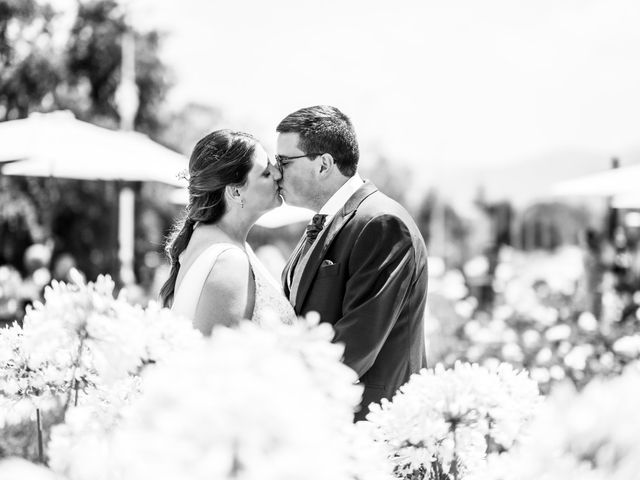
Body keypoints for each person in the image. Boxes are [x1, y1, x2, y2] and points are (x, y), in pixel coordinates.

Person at [276, 106, 428, 421]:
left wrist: (275, 390)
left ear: (323, 164)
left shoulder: (382, 223)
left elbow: (356, 345)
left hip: (370, 428)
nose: (276, 172)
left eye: (283, 161)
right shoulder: (329, 220)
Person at [160, 129, 296, 334]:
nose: (278, 174)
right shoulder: (229, 260)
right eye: (266, 173)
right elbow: (222, 359)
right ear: (235, 191)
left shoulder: (210, 237)